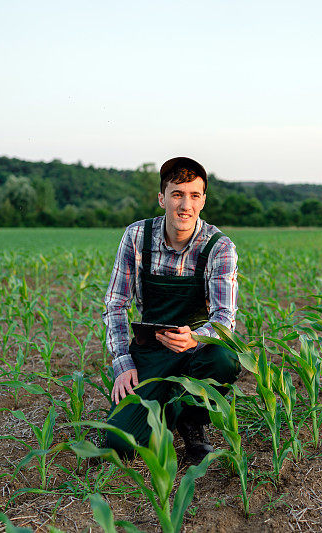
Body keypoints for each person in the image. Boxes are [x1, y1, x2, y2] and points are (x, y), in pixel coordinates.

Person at [100, 156, 241, 464]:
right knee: (120, 445)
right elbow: (116, 304)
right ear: (162, 198)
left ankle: (192, 422)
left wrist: (195, 338)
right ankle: (166, 404)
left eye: (193, 195)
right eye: (177, 194)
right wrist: (123, 363)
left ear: (203, 200)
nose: (184, 205)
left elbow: (224, 319)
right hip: (150, 351)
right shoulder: (137, 237)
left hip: (195, 351)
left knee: (225, 358)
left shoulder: (219, 247)